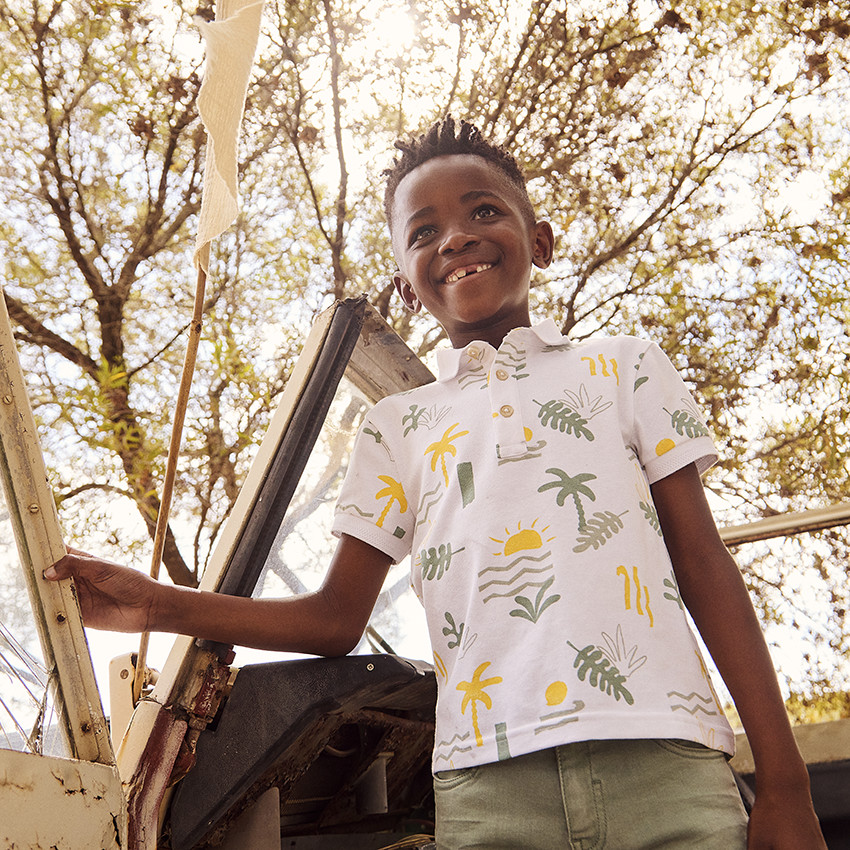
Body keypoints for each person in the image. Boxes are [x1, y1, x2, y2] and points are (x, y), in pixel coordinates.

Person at [47, 117, 825, 849]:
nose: (455, 237)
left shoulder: (624, 367)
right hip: (489, 792)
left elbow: (704, 565)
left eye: (482, 210)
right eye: (423, 233)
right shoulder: (395, 427)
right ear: (408, 286)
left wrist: (785, 779)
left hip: (665, 759)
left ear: (540, 241)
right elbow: (335, 618)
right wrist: (157, 602)